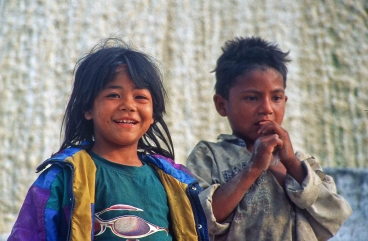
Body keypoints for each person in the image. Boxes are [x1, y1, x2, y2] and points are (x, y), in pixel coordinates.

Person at [8, 38, 209, 241]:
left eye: (140, 97)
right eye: (114, 95)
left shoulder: (174, 182)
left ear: (154, 113)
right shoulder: (63, 178)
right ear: (88, 108)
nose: (128, 105)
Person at [186, 36, 352, 241]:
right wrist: (253, 168)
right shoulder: (208, 156)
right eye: (252, 98)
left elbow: (334, 216)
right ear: (222, 105)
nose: (267, 109)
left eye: (276, 98)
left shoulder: (300, 163)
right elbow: (198, 220)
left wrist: (291, 162)